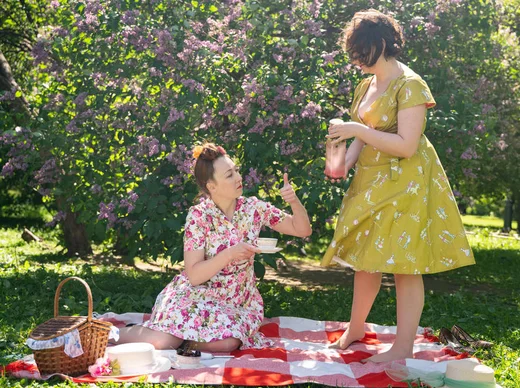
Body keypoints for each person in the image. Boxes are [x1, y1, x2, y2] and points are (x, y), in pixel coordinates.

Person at [321, 9, 476, 363]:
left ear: (381, 44)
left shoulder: (411, 85)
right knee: (366, 260)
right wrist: (343, 163)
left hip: (408, 182)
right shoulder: (367, 84)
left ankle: (402, 348)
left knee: (406, 266)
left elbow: (406, 144)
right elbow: (363, 132)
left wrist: (357, 131)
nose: (356, 59)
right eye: (353, 51)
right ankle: (356, 328)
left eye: (361, 50)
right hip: (372, 180)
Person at [116, 143, 312, 351]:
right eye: (229, 175)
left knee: (227, 343)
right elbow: (195, 276)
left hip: (237, 301)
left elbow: (302, 230)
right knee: (162, 342)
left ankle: (183, 339)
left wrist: (293, 201)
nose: (238, 178)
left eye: (236, 170)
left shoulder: (253, 208)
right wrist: (230, 254)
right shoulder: (199, 216)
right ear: (211, 186)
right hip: (197, 295)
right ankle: (111, 334)